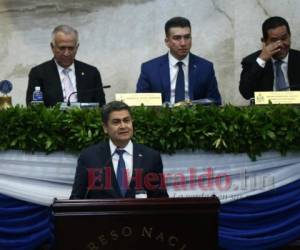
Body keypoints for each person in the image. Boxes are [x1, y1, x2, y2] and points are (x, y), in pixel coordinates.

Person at [70, 101, 168, 199]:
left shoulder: (151, 157)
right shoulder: (89, 157)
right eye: (116, 122)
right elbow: (76, 198)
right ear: (105, 127)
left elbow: (161, 200)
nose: (123, 126)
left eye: (126, 120)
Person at [136, 16, 221, 105]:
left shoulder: (205, 67)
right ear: (167, 41)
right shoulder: (149, 68)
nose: (183, 43)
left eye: (187, 37)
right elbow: (141, 105)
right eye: (177, 38)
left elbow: (215, 102)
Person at [26, 25, 106, 107]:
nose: (66, 53)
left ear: (77, 47)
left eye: (71, 48)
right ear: (52, 47)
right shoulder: (39, 73)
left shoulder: (91, 73)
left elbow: (101, 105)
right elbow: (33, 108)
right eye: (62, 48)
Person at [239, 16, 300, 100]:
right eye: (274, 40)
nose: (281, 44)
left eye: (284, 38)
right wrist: (261, 61)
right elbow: (246, 93)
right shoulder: (252, 61)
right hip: (265, 112)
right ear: (264, 41)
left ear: (290, 36)